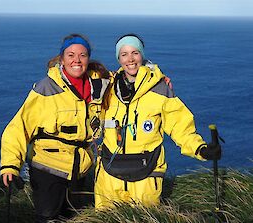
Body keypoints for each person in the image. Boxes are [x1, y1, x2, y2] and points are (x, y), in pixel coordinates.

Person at [93, 34, 221, 209]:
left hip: (146, 173)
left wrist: (201, 149)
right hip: (109, 175)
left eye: (135, 52)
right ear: (118, 58)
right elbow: (76, 76)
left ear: (142, 55)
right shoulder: (107, 87)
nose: (130, 59)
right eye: (124, 54)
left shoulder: (160, 88)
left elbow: (179, 126)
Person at [0, 33, 110, 223]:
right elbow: (18, 127)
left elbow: (129, 76)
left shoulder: (99, 85)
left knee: (74, 221)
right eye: (71, 55)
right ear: (62, 59)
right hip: (48, 167)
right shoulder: (46, 88)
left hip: (80, 168)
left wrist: (157, 77)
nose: (77, 60)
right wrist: (10, 165)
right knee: (48, 221)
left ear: (88, 58)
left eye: (82, 55)